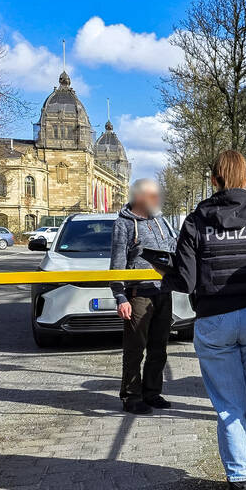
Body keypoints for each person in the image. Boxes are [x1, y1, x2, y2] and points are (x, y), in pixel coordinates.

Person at [160, 150, 246, 490]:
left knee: (229, 407)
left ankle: (239, 488)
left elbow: (184, 281)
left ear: (214, 179)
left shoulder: (196, 222)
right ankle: (243, 472)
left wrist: (162, 271)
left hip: (216, 320)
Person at [110, 178, 177, 415]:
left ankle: (152, 392)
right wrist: (121, 297)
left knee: (159, 348)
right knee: (135, 349)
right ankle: (131, 396)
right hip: (138, 294)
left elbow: (173, 247)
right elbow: (117, 262)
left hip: (163, 292)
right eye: (150, 195)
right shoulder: (124, 224)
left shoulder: (161, 220)